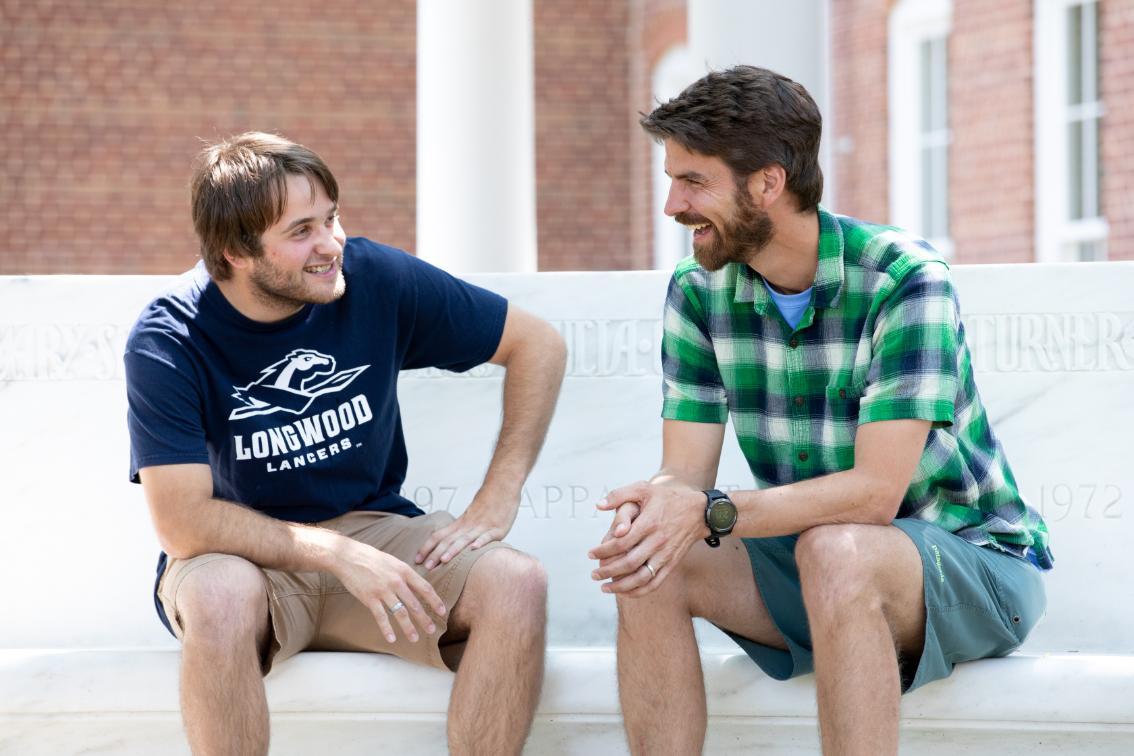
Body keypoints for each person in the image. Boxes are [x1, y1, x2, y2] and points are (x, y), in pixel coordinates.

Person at [589, 66, 1052, 755]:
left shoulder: (903, 280)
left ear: (767, 183)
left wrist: (711, 510)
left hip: (972, 565)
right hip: (819, 563)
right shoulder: (697, 291)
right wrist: (658, 505)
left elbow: (875, 494)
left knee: (839, 551)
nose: (672, 206)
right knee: (648, 560)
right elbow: (683, 472)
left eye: (693, 182)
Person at [125, 131, 566, 756]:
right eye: (302, 230)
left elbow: (537, 344)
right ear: (235, 251)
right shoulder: (170, 336)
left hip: (377, 534)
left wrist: (499, 494)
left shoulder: (374, 277)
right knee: (219, 596)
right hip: (244, 557)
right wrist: (334, 554)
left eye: (331, 217)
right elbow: (183, 523)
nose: (331, 244)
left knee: (516, 583)